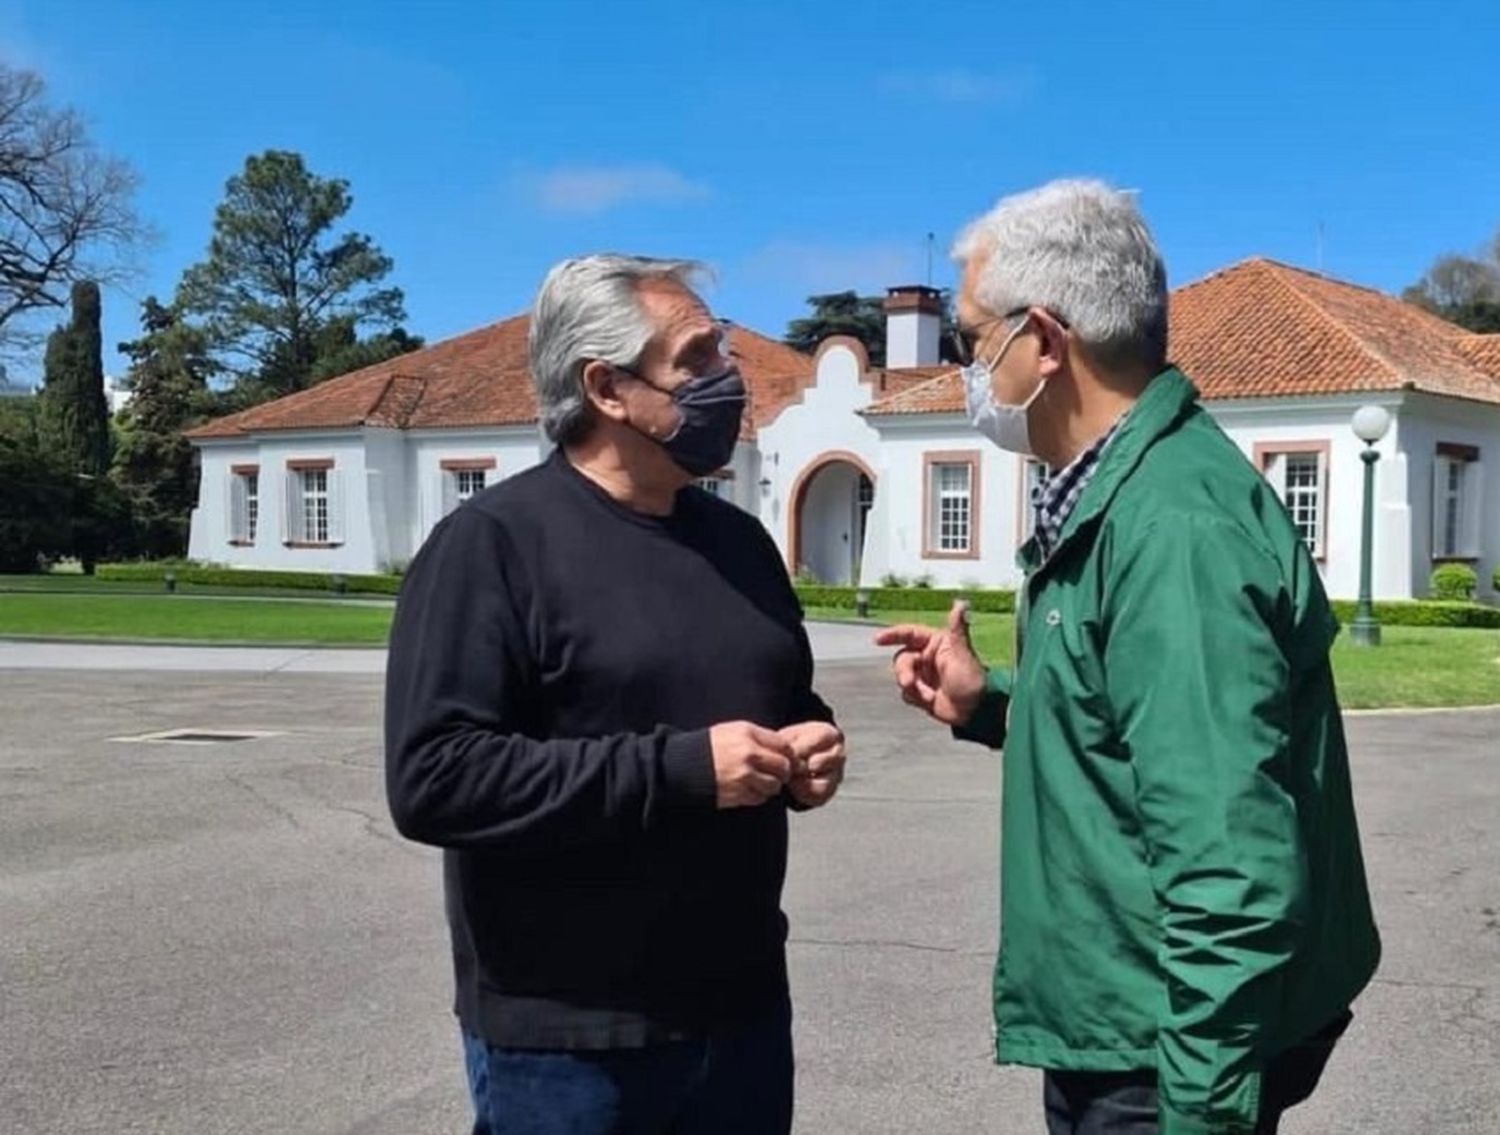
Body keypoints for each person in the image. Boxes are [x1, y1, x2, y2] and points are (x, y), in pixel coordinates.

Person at [877, 180, 1379, 1135]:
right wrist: (992, 702)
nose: (970, 369)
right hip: (1128, 1026)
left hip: (1156, 1059)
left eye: (975, 340)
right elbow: (1141, 725)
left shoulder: (1170, 526)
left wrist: (1198, 1108)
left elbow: (1229, 867)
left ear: (1046, 342)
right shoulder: (1113, 495)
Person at [385, 254, 845, 1135]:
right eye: (699, 360)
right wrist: (679, 770)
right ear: (606, 387)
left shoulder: (740, 544)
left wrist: (808, 745)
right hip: (567, 1042)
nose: (731, 382)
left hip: (741, 1015)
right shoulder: (491, 546)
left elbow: (784, 694)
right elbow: (433, 777)